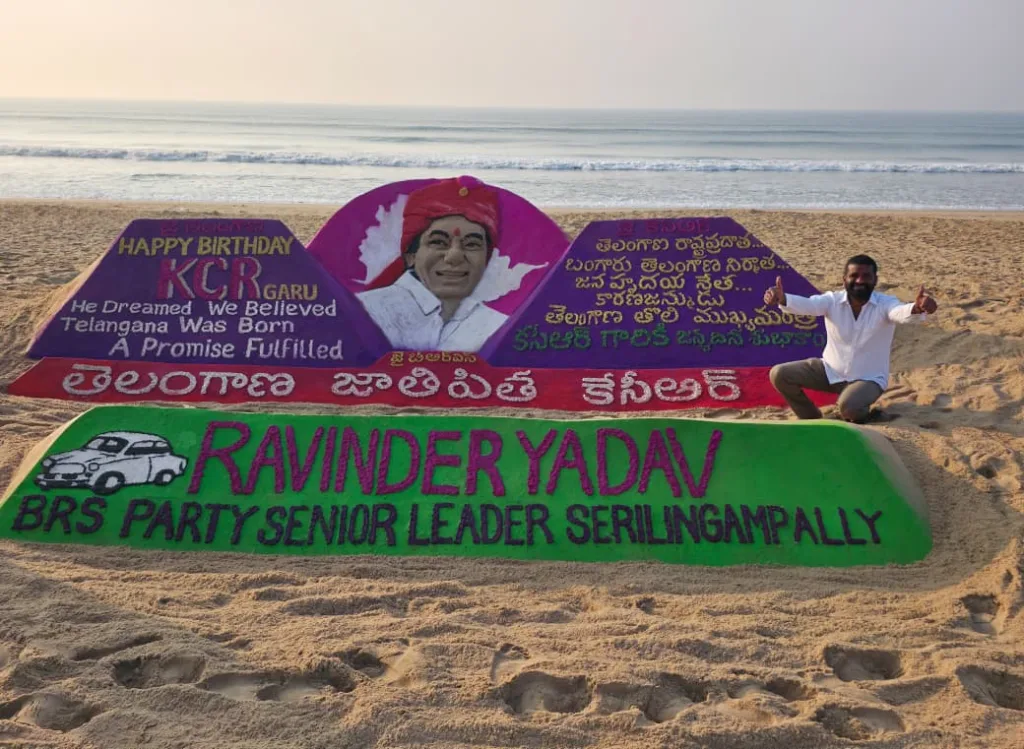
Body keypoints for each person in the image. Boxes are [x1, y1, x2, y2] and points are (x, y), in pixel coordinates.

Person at [764, 254, 938, 423]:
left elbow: (899, 312)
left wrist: (916, 308)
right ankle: (811, 419)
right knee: (780, 374)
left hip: (868, 379)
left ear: (875, 280)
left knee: (849, 408)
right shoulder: (832, 300)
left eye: (866, 276)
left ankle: (869, 415)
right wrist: (783, 298)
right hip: (830, 371)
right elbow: (809, 305)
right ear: (844, 279)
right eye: (854, 276)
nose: (860, 281)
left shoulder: (885, 303)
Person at [356, 177, 508, 352]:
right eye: (438, 242)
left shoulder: (500, 326)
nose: (454, 256)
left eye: (472, 244)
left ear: (486, 259)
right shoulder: (364, 312)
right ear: (411, 256)